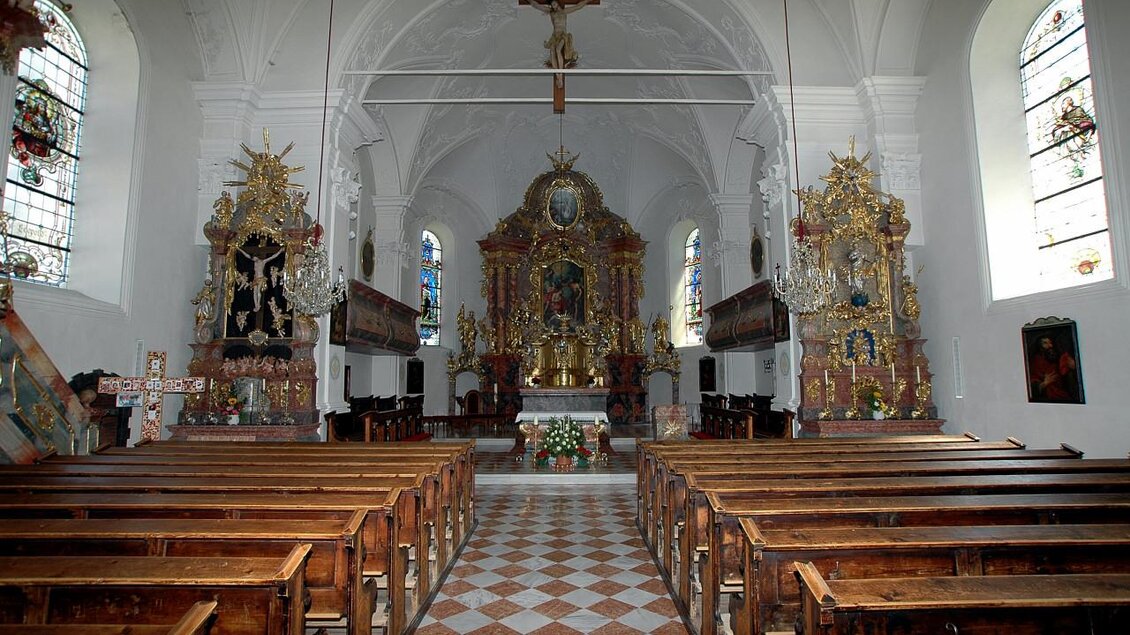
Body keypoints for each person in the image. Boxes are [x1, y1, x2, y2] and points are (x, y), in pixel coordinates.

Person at [527, 0, 594, 86]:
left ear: (557, 3)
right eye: (552, 4)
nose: (553, 5)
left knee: (558, 50)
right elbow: (536, 5)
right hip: (555, 36)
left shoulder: (564, 11)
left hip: (563, 35)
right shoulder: (551, 12)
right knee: (552, 50)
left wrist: (588, 0)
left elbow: (578, 6)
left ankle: (560, 75)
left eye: (554, 3)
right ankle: (558, 75)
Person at [1028, 334, 1079, 402]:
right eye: (1045, 343)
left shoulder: (1056, 358)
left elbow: (1065, 373)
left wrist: (1074, 367)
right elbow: (1031, 384)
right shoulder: (1036, 361)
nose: (1050, 346)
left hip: (1061, 391)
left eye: (1050, 343)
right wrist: (1044, 383)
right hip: (1049, 395)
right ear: (1040, 347)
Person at [236, 247, 282, 313]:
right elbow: (247, 255)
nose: (254, 259)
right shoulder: (255, 262)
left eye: (255, 258)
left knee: (258, 291)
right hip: (255, 278)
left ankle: (258, 304)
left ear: (257, 257)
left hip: (261, 278)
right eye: (253, 258)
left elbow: (272, 257)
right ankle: (256, 305)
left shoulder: (263, 262)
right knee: (254, 292)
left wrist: (280, 251)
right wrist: (239, 249)